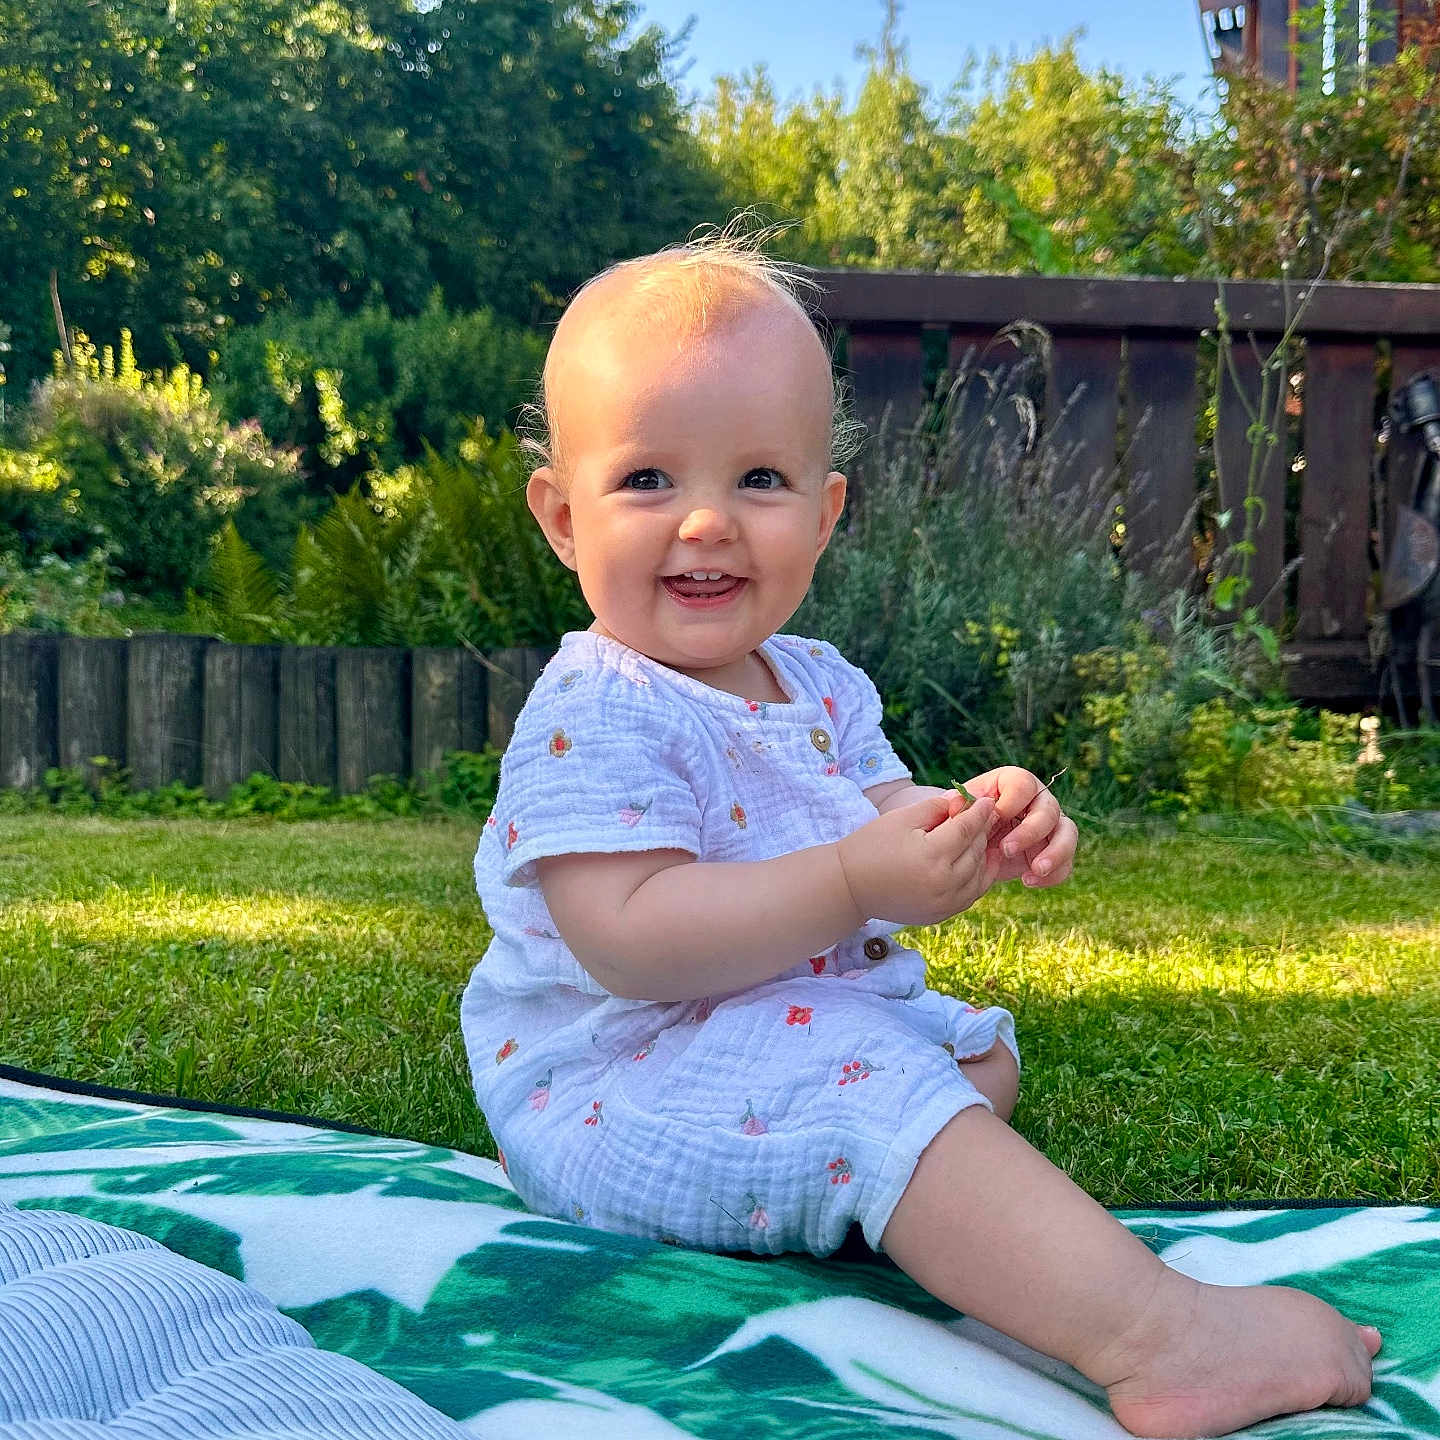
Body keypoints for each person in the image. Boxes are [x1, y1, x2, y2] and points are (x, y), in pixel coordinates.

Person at [461, 229, 1381, 1439]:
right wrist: (852, 880)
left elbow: (881, 812)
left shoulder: (819, 681)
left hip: (774, 1024)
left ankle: (869, 1183)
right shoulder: (597, 707)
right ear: (563, 518)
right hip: (624, 1074)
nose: (707, 523)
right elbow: (630, 941)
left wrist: (965, 821)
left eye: (759, 479)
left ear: (825, 512)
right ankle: (1164, 1337)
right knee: (881, 1094)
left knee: (977, 1064)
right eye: (647, 481)